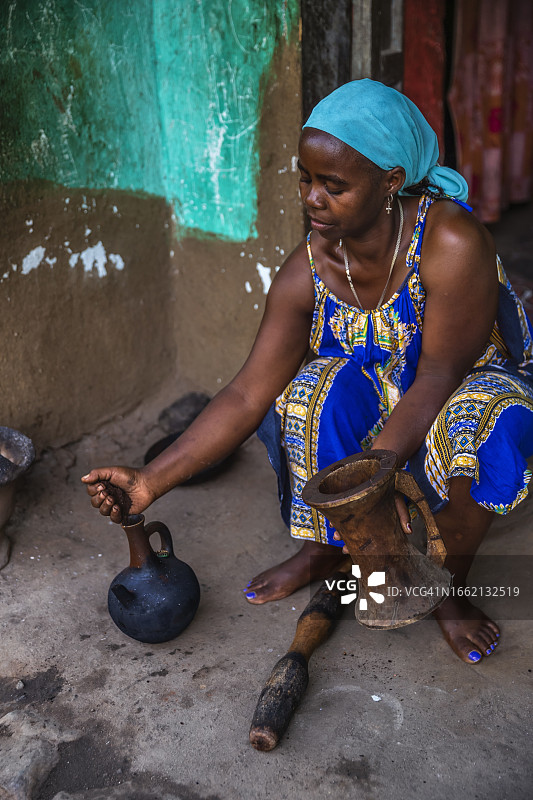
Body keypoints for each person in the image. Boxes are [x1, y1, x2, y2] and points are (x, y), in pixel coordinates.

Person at [82, 79, 533, 665]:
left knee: (495, 419)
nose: (312, 199)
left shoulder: (450, 242)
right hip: (386, 405)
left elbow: (440, 374)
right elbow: (247, 392)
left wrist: (375, 483)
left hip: (452, 389)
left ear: (391, 182)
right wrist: (148, 483)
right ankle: (331, 550)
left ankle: (444, 584)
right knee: (307, 395)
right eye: (305, 178)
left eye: (334, 185)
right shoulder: (308, 270)